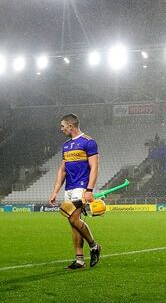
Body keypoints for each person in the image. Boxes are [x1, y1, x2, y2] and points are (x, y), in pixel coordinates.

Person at [48, 114, 102, 269]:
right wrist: (55, 191)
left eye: (63, 126)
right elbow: (62, 170)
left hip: (81, 186)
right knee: (73, 224)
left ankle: (94, 246)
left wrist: (89, 189)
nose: (61, 128)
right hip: (69, 188)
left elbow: (94, 167)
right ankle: (79, 260)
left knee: (73, 219)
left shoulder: (89, 142)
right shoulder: (65, 146)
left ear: (70, 126)